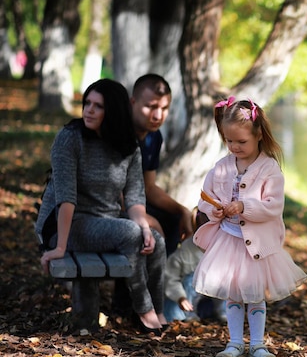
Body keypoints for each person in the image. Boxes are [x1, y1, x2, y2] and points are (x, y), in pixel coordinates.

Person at [35, 78, 168, 334]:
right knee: (130, 234)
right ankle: (143, 308)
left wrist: (146, 227)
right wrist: (60, 246)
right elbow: (66, 198)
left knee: (157, 240)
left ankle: (159, 310)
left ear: (114, 111)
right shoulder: (70, 138)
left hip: (104, 221)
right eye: (87, 103)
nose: (89, 110)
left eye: (98, 106)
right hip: (65, 225)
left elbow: (135, 198)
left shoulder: (128, 147)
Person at [192, 96, 307, 357]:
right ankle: (234, 343)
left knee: (255, 296)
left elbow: (272, 206)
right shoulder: (221, 167)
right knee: (234, 294)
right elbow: (205, 198)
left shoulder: (269, 170)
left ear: (258, 134)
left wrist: (244, 206)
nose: (234, 147)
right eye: (229, 141)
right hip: (229, 241)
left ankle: (257, 344)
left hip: (254, 245)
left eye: (241, 142)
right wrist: (215, 210)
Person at [130, 73, 193, 254]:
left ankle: (165, 278)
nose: (158, 115)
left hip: (134, 203)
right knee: (151, 228)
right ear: (133, 102)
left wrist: (182, 210)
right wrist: (146, 218)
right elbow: (112, 193)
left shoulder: (154, 136)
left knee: (173, 218)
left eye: (165, 108)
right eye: (151, 107)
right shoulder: (120, 134)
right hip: (109, 207)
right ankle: (132, 282)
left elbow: (149, 188)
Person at [164, 209, 225, 323]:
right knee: (191, 280)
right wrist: (180, 297)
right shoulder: (186, 250)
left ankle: (224, 314)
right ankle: (189, 317)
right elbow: (170, 277)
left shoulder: (225, 248)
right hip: (187, 300)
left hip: (210, 301)